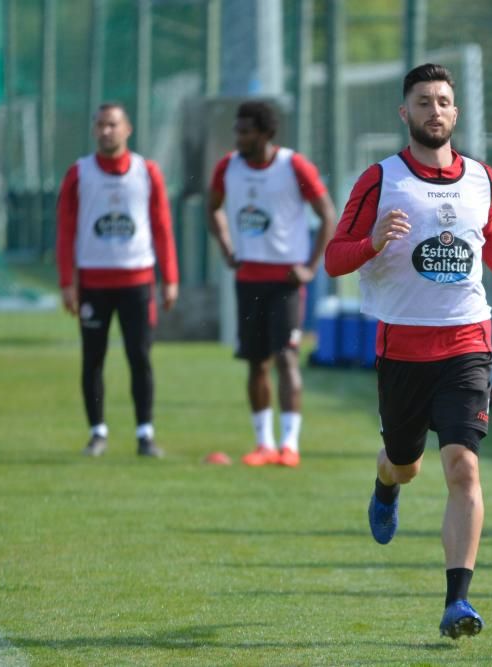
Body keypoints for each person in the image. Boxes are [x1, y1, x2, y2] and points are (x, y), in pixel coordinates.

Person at [324, 63, 492, 639]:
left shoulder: (481, 178)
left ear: (456, 112)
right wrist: (371, 242)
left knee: (463, 467)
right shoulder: (380, 179)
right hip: (402, 347)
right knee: (407, 463)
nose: (435, 111)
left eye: (444, 101)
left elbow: (488, 233)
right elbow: (333, 257)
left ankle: (457, 602)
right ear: (405, 113)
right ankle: (385, 484)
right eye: (423, 102)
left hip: (469, 342)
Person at [207, 101, 336, 468]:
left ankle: (289, 445)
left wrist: (311, 267)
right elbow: (212, 206)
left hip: (285, 280)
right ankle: (263, 444)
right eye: (237, 130)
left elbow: (327, 212)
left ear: (265, 133)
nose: (239, 137)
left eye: (246, 130)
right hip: (248, 279)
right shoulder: (228, 168)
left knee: (286, 358)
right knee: (255, 364)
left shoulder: (292, 166)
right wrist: (227, 245)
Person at [56, 102, 178, 458]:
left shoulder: (146, 172)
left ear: (128, 129)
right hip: (94, 281)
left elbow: (162, 227)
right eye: (100, 125)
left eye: (112, 124)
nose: (106, 131)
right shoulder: (79, 173)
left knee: (139, 356)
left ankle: (145, 433)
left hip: (137, 281)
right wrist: (67, 281)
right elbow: (65, 230)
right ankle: (97, 432)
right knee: (92, 358)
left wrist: (169, 278)